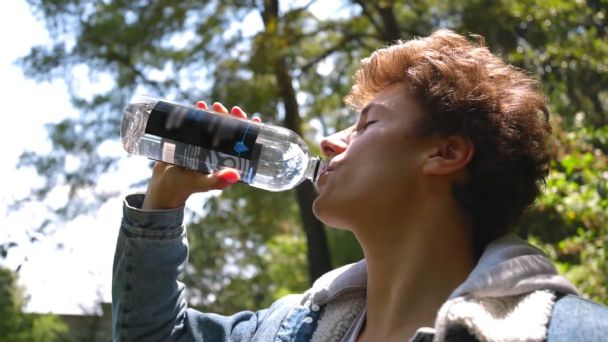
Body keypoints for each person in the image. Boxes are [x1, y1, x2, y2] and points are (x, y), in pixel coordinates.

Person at [112, 29, 608, 341]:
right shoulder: (289, 328)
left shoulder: (572, 332)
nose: (327, 142)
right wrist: (164, 200)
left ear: (446, 153)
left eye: (367, 125)